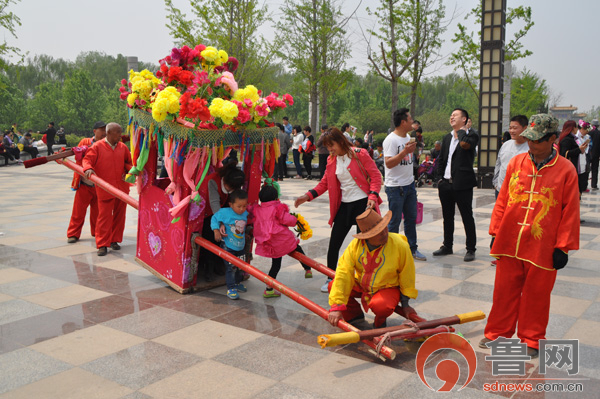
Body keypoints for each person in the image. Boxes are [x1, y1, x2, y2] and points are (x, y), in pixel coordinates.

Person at [479, 114, 580, 359]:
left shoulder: (566, 170)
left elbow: (570, 211)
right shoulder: (516, 163)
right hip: (511, 239)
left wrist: (563, 247)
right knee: (504, 290)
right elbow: (503, 199)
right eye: (530, 140)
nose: (532, 145)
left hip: (543, 244)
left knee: (537, 294)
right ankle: (497, 334)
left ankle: (532, 339)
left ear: (553, 139)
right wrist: (496, 231)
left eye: (538, 141)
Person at [294, 127, 382, 292]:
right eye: (327, 147)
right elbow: (325, 183)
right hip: (344, 206)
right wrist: (307, 196)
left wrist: (372, 197)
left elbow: (376, 177)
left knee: (365, 245)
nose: (330, 150)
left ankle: (368, 280)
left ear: (341, 141)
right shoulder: (331, 160)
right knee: (334, 244)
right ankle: (330, 278)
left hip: (363, 204)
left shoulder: (360, 154)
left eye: (331, 145)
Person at [327, 209, 422, 328]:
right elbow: (343, 273)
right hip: (362, 284)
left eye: (385, 228)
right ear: (367, 237)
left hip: (387, 287)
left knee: (382, 306)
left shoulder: (400, 245)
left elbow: (407, 274)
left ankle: (380, 322)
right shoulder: (354, 246)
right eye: (379, 232)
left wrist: (405, 304)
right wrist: (337, 306)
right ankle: (354, 316)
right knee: (333, 285)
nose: (385, 233)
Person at [249, 181, 312, 298]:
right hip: (283, 240)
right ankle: (307, 269)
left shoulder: (257, 210)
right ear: (276, 197)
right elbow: (287, 220)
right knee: (297, 247)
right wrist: (295, 219)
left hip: (270, 243)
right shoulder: (277, 208)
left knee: (275, 265)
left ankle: (269, 289)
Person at [433, 108, 479, 262]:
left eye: (455, 115)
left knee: (467, 217)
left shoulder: (471, 135)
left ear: (464, 119)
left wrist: (462, 131)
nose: (451, 117)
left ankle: (471, 249)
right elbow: (441, 159)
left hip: (462, 184)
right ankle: (447, 245)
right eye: (451, 115)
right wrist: (439, 179)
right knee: (447, 217)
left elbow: (466, 145)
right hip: (446, 184)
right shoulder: (446, 138)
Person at [83, 123, 132, 256]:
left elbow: (129, 162)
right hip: (105, 188)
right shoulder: (97, 146)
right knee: (104, 217)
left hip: (121, 187)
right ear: (109, 133)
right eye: (118, 132)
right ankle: (102, 244)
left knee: (119, 216)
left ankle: (114, 240)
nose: (120, 135)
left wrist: (129, 171)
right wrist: (88, 169)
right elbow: (87, 160)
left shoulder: (122, 147)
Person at [383, 108, 426, 261]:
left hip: (409, 185)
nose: (412, 122)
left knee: (411, 218)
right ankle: (391, 252)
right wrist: (404, 152)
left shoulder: (408, 136)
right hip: (395, 187)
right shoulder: (391, 140)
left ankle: (412, 249)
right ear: (403, 122)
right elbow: (388, 163)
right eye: (410, 120)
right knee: (394, 221)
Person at [197, 155, 246, 281]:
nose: (232, 190)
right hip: (207, 213)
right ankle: (208, 268)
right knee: (211, 238)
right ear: (225, 181)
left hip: (223, 212)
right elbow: (214, 205)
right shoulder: (213, 181)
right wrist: (220, 224)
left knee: (225, 239)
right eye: (231, 187)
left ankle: (219, 264)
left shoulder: (234, 183)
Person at [67, 121, 107, 244]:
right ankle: (73, 234)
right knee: (78, 211)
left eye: (105, 130)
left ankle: (96, 232)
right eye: (101, 130)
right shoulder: (85, 142)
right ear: (95, 131)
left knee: (98, 212)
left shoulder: (106, 144)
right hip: (84, 184)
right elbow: (77, 157)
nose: (104, 133)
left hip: (99, 185)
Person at [211, 189, 249, 300]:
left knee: (240, 266)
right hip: (228, 246)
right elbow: (214, 219)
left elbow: (241, 227)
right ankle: (231, 288)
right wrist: (216, 231)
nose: (242, 209)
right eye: (239, 206)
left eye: (244, 206)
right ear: (231, 204)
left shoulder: (245, 213)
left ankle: (237, 284)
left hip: (240, 246)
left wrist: (244, 234)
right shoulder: (224, 212)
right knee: (231, 268)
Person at [492, 115, 529, 198]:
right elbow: (498, 164)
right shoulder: (506, 145)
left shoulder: (530, 148)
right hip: (501, 190)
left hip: (520, 193)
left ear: (525, 128)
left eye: (515, 128)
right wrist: (496, 183)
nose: (511, 131)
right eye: (510, 128)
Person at [559, 120, 589, 200]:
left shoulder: (572, 138)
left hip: (573, 165)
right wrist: (579, 149)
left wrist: (580, 149)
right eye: (576, 127)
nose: (577, 129)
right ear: (573, 128)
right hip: (569, 166)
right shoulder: (567, 139)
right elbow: (564, 153)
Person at [589, 119, 600, 190]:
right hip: (596, 154)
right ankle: (594, 184)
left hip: (588, 154)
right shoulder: (599, 133)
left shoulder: (589, 133)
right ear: (598, 126)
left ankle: (584, 184)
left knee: (585, 169)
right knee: (595, 169)